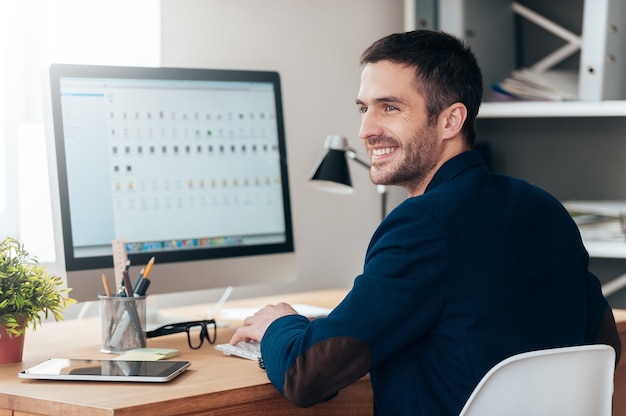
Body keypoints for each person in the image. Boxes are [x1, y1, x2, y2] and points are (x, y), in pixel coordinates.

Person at [229, 30, 621, 415]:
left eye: (390, 107)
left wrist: (280, 325)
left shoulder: (423, 224)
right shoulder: (542, 205)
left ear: (451, 121)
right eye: (364, 108)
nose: (366, 130)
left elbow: (308, 376)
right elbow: (605, 347)